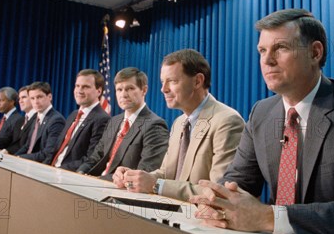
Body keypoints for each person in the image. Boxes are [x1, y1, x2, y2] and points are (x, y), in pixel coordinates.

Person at [190, 9, 334, 234]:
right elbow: (238, 181)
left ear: (315, 52)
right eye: (262, 50)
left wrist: (268, 217)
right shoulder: (261, 113)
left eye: (280, 48)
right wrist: (217, 199)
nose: (267, 60)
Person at [113, 49, 244, 201]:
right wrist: (134, 177)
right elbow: (166, 174)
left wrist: (156, 185)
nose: (163, 89)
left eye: (172, 81)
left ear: (197, 81)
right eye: (163, 82)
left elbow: (219, 192)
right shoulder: (179, 123)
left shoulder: (227, 121)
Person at [76, 67, 168, 180]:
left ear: (144, 90)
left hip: (119, 191)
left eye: (130, 88)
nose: (123, 95)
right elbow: (96, 157)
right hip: (97, 183)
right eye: (119, 89)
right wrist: (80, 172)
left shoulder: (155, 125)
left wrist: (99, 180)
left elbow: (144, 173)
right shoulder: (114, 121)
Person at [48, 69, 110, 170]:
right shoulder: (74, 114)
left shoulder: (102, 119)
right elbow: (56, 148)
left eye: (85, 87)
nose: (79, 91)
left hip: (68, 175)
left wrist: (58, 170)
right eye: (77, 86)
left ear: (99, 91)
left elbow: (91, 159)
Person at [15, 81, 65, 162]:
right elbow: (27, 146)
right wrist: (13, 157)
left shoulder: (56, 120)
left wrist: (20, 158)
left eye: (39, 97)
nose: (36, 102)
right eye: (32, 98)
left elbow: (47, 154)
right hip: (28, 161)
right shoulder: (36, 118)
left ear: (49, 97)